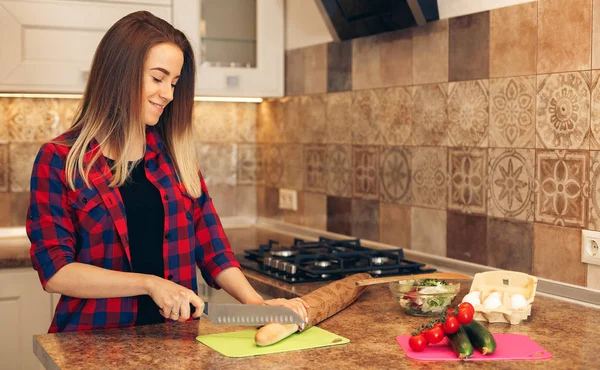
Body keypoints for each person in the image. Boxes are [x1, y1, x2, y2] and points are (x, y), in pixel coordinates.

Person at [26, 11, 308, 333]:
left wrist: (254, 303)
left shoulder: (175, 158)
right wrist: (150, 284)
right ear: (120, 73)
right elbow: (56, 272)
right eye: (158, 78)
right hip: (93, 343)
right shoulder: (61, 160)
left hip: (176, 343)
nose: (169, 94)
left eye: (174, 83)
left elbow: (210, 243)